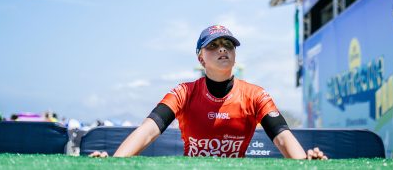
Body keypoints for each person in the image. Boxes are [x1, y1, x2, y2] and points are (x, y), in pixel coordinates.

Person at [91, 25, 327, 160]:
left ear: (235, 54)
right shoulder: (184, 92)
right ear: (200, 58)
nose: (222, 48)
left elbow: (283, 138)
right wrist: (114, 164)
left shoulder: (255, 95)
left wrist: (306, 165)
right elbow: (146, 132)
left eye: (228, 44)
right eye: (213, 45)